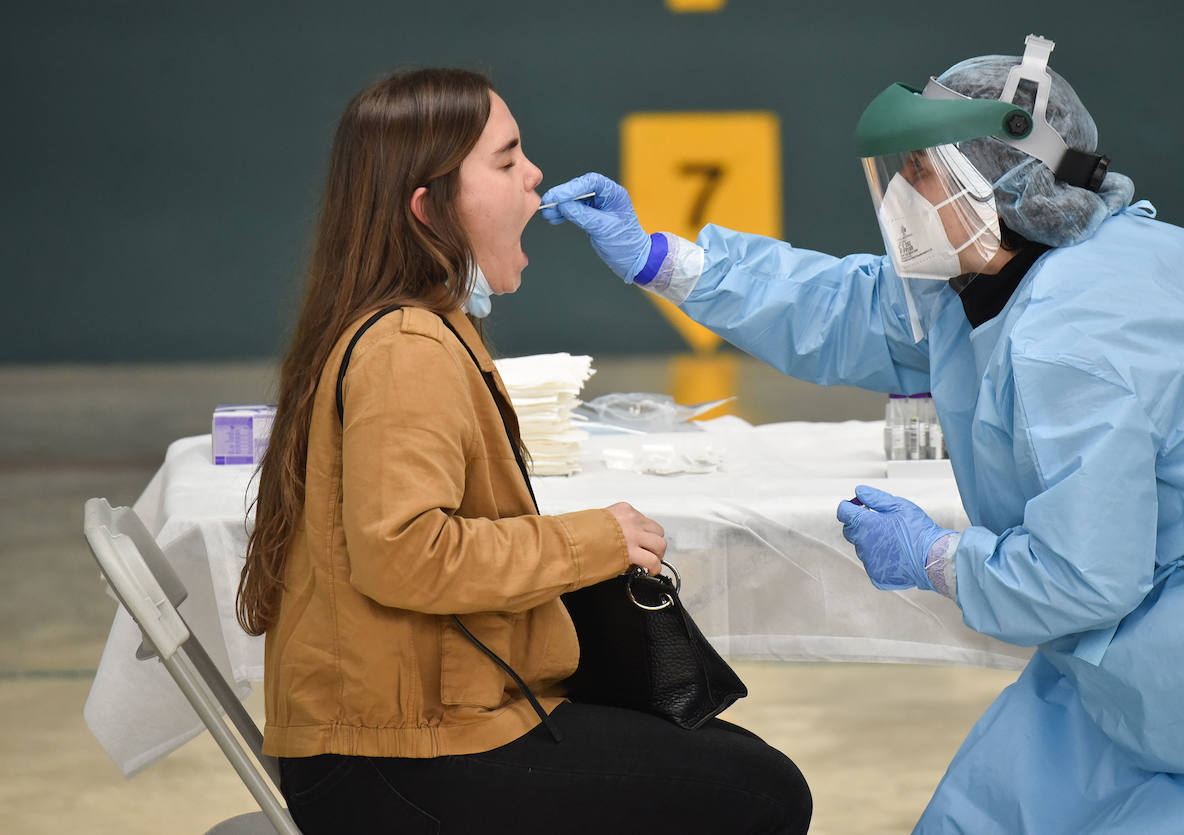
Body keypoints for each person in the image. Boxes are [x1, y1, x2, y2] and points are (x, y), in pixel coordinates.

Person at [540, 35, 1184, 834]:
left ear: (993, 185)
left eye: (917, 173)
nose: (901, 198)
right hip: (1142, 653)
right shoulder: (1026, 264)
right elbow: (851, 308)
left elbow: (1083, 577)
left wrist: (937, 558)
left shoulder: (1074, 338)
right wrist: (667, 261)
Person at [235, 68, 811, 834]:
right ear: (428, 209)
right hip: (390, 759)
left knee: (734, 764)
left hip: (405, 733)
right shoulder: (407, 346)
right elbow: (404, 552)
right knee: (762, 793)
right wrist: (595, 539)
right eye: (506, 162)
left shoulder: (421, 328)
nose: (535, 174)